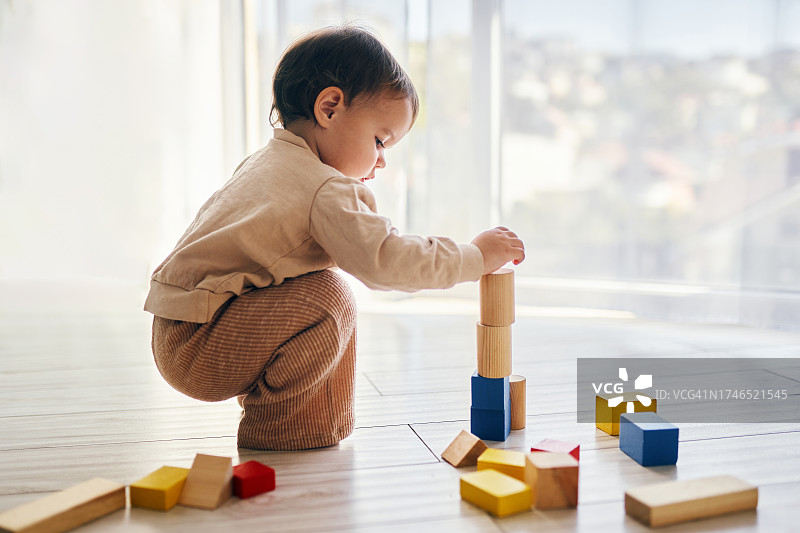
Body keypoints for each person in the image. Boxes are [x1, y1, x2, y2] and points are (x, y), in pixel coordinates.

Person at [144, 25, 525, 451]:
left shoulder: (269, 162)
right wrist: (474, 256)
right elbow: (387, 261)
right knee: (327, 299)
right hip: (200, 344)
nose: (381, 161)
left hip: (182, 332)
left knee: (321, 292)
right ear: (329, 108)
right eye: (380, 141)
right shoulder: (322, 188)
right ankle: (283, 432)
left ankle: (314, 426)